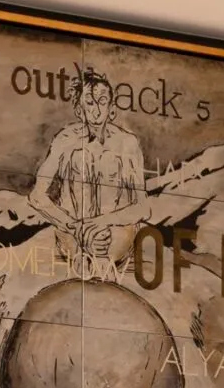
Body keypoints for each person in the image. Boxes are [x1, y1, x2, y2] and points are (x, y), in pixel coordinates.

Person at [30, 66, 146, 278]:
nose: (96, 110)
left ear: (112, 108)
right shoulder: (65, 141)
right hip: (73, 233)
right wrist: (74, 226)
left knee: (112, 244)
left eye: (102, 102)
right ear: (79, 109)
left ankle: (101, 264)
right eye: (90, 103)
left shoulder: (127, 143)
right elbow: (37, 196)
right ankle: (86, 260)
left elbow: (142, 207)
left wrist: (102, 222)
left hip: (115, 231)